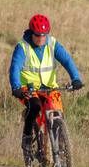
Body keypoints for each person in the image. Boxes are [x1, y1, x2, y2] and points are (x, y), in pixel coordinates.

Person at [9, 14, 84, 157]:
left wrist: (75, 79)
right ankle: (27, 137)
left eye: (44, 35)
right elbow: (15, 68)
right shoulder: (22, 47)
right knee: (35, 106)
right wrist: (16, 86)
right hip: (28, 88)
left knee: (57, 114)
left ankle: (60, 148)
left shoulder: (52, 43)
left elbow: (67, 60)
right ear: (32, 32)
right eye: (38, 35)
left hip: (50, 87)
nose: (41, 39)